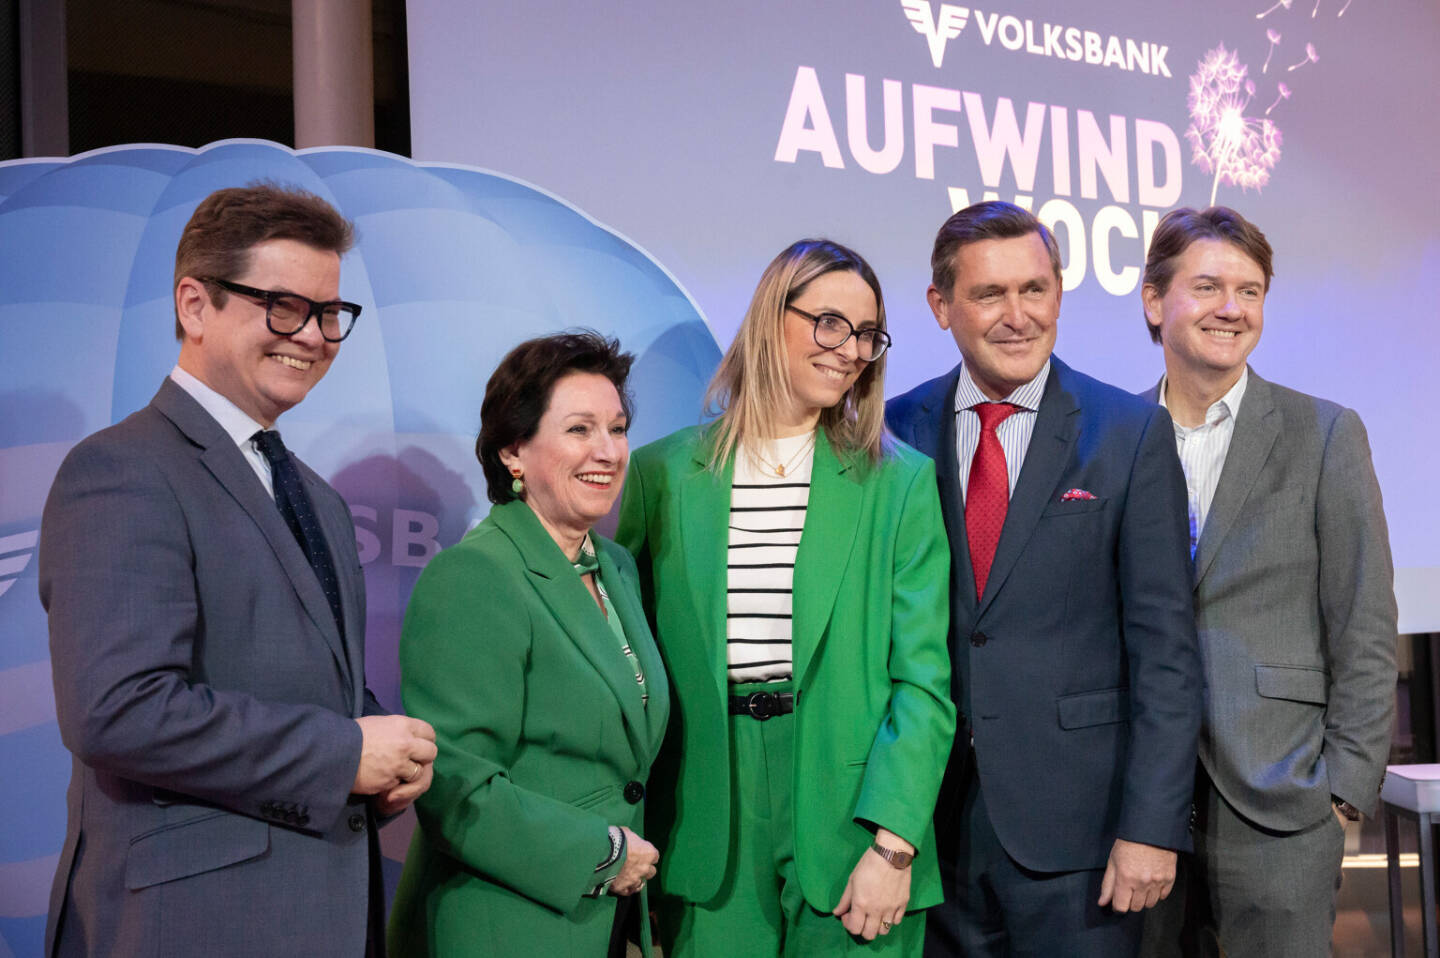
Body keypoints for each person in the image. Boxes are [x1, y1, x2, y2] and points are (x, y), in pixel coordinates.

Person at [39, 183, 437, 958]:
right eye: (282, 305)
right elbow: (117, 709)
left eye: (328, 313)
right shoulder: (121, 469)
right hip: (189, 925)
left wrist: (386, 756)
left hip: (322, 915)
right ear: (194, 306)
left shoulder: (315, 496)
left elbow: (308, 687)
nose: (313, 336)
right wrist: (342, 754)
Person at [617, 238, 955, 956]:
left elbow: (924, 685)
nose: (851, 349)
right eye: (830, 322)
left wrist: (894, 846)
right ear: (773, 318)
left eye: (866, 333)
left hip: (852, 825)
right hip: (705, 818)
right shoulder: (662, 474)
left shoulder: (900, 485)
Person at [885, 200, 1202, 957]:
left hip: (1083, 843)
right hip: (929, 832)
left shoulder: (1127, 432)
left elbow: (1166, 651)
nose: (1017, 315)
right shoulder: (895, 429)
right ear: (941, 306)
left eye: (1035, 290)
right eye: (989, 294)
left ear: (1059, 293)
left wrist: (1151, 828)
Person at [1135, 207, 1397, 957]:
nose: (1232, 308)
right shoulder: (1112, 434)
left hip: (1282, 803)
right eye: (1210, 286)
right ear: (1154, 301)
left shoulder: (1323, 434)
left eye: (1250, 292)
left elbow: (1365, 624)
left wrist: (1343, 787)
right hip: (1138, 806)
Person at [386, 331, 670, 957]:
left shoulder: (616, 565)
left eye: (617, 429)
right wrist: (603, 855)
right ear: (514, 451)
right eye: (579, 430)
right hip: (505, 924)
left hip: (607, 925)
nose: (608, 451)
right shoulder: (476, 575)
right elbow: (455, 787)